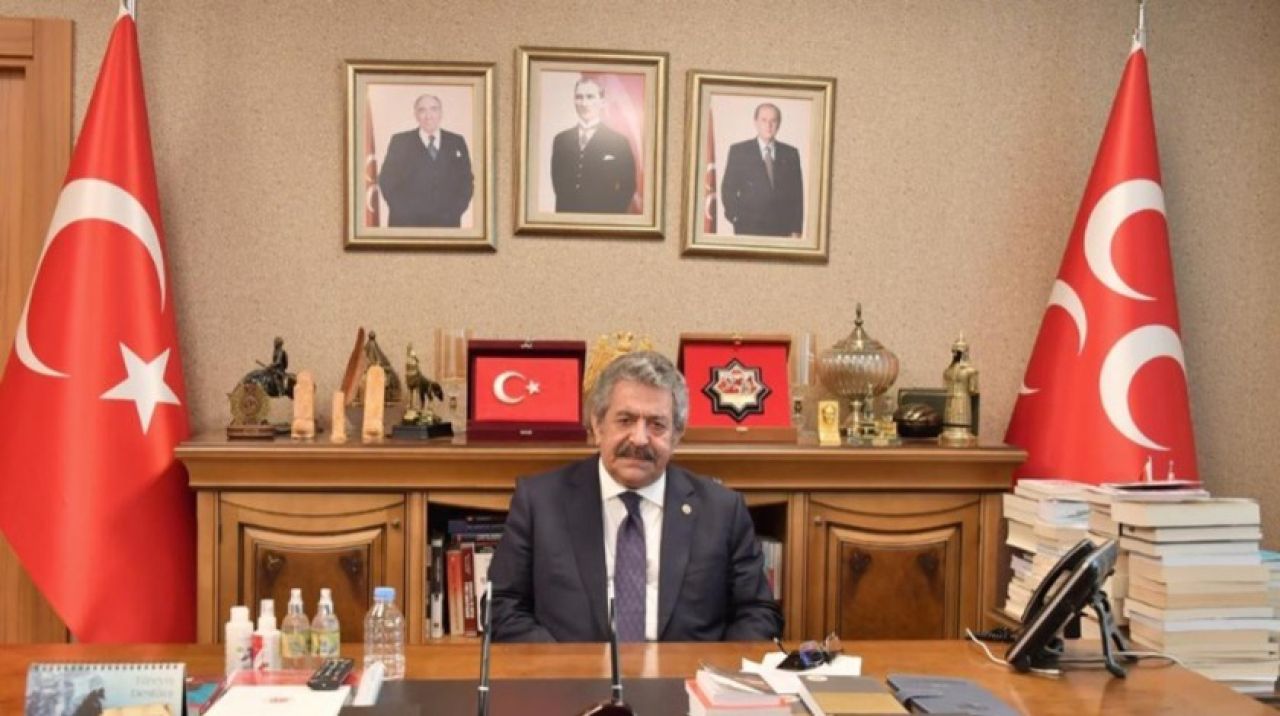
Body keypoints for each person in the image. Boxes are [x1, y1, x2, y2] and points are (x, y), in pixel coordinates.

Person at [487, 351, 783, 642]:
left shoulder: (722, 510)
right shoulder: (540, 502)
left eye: (657, 425)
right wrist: (564, 665)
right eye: (625, 420)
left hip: (686, 672)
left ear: (676, 435)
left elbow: (758, 613)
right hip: (573, 673)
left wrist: (713, 670)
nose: (640, 439)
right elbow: (501, 606)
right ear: (598, 425)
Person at [378, 94, 474, 227]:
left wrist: (454, 212)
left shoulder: (457, 141)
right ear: (415, 115)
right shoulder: (400, 142)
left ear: (441, 113)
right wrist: (403, 212)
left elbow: (466, 181)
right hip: (406, 224)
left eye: (434, 109)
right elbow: (386, 180)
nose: (428, 116)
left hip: (446, 224)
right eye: (422, 110)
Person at [550, 77, 637, 213]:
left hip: (603, 219)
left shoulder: (619, 142)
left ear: (602, 102)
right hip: (567, 218)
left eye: (590, 97)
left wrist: (609, 217)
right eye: (579, 97)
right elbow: (558, 186)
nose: (584, 103)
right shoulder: (561, 140)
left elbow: (628, 186)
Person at [720, 102, 804, 237]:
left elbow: (797, 195)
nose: (769, 125)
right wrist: (735, 217)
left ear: (779, 124)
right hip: (748, 228)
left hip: (782, 230)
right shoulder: (739, 151)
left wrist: (796, 229)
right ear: (756, 122)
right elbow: (728, 189)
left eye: (773, 121)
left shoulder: (791, 154)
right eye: (764, 120)